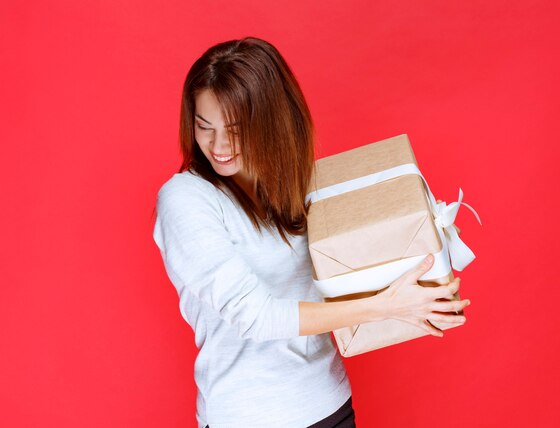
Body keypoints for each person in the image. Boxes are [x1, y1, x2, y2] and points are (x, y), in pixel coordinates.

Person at [152, 36, 470, 428]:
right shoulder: (185, 199)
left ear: (271, 122)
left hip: (329, 404)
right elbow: (255, 317)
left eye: (235, 129)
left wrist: (424, 292)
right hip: (248, 417)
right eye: (205, 127)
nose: (218, 146)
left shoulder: (295, 185)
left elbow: (341, 278)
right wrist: (389, 305)